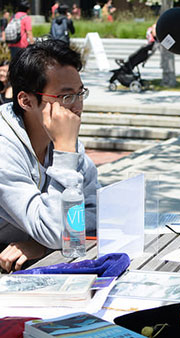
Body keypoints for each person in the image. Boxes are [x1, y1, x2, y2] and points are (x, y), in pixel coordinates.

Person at [0, 39, 100, 273]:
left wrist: (39, 244)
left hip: (30, 263)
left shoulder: (64, 138)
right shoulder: (4, 146)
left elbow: (96, 213)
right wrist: (66, 151)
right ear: (25, 100)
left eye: (80, 93)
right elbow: (58, 233)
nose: (77, 107)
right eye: (66, 97)